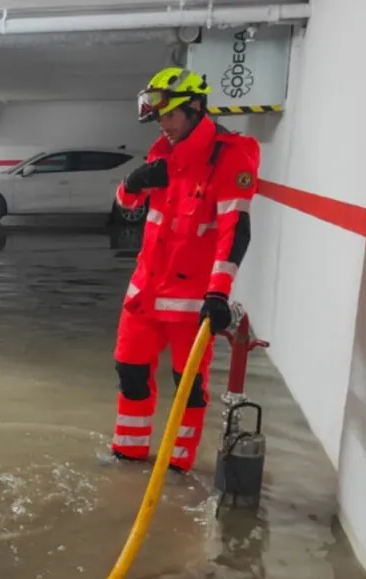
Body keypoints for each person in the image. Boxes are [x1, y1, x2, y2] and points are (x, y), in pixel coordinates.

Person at [109, 67, 260, 474]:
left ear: (195, 107)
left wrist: (218, 293)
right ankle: (128, 455)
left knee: (187, 388)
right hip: (143, 295)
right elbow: (128, 207)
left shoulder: (230, 158)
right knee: (130, 374)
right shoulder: (161, 152)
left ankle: (176, 468)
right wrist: (132, 182)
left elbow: (234, 230)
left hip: (191, 303)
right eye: (159, 117)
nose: (164, 124)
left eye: (170, 115)